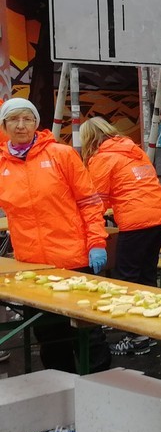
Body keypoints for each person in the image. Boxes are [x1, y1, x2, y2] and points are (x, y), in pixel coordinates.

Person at [0, 99, 110, 372]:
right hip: (33, 268)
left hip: (75, 260)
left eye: (27, 118)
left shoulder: (61, 155)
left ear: (37, 123)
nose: (21, 125)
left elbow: (89, 202)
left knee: (88, 331)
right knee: (50, 338)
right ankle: (63, 391)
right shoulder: (1, 165)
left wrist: (96, 242)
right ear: (4, 126)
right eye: (13, 120)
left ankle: (103, 389)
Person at [80, 117, 161, 356]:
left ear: (89, 138)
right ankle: (149, 328)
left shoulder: (102, 158)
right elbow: (136, 183)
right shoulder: (133, 150)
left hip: (136, 220)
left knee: (127, 277)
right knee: (146, 273)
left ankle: (136, 335)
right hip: (160, 215)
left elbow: (96, 199)